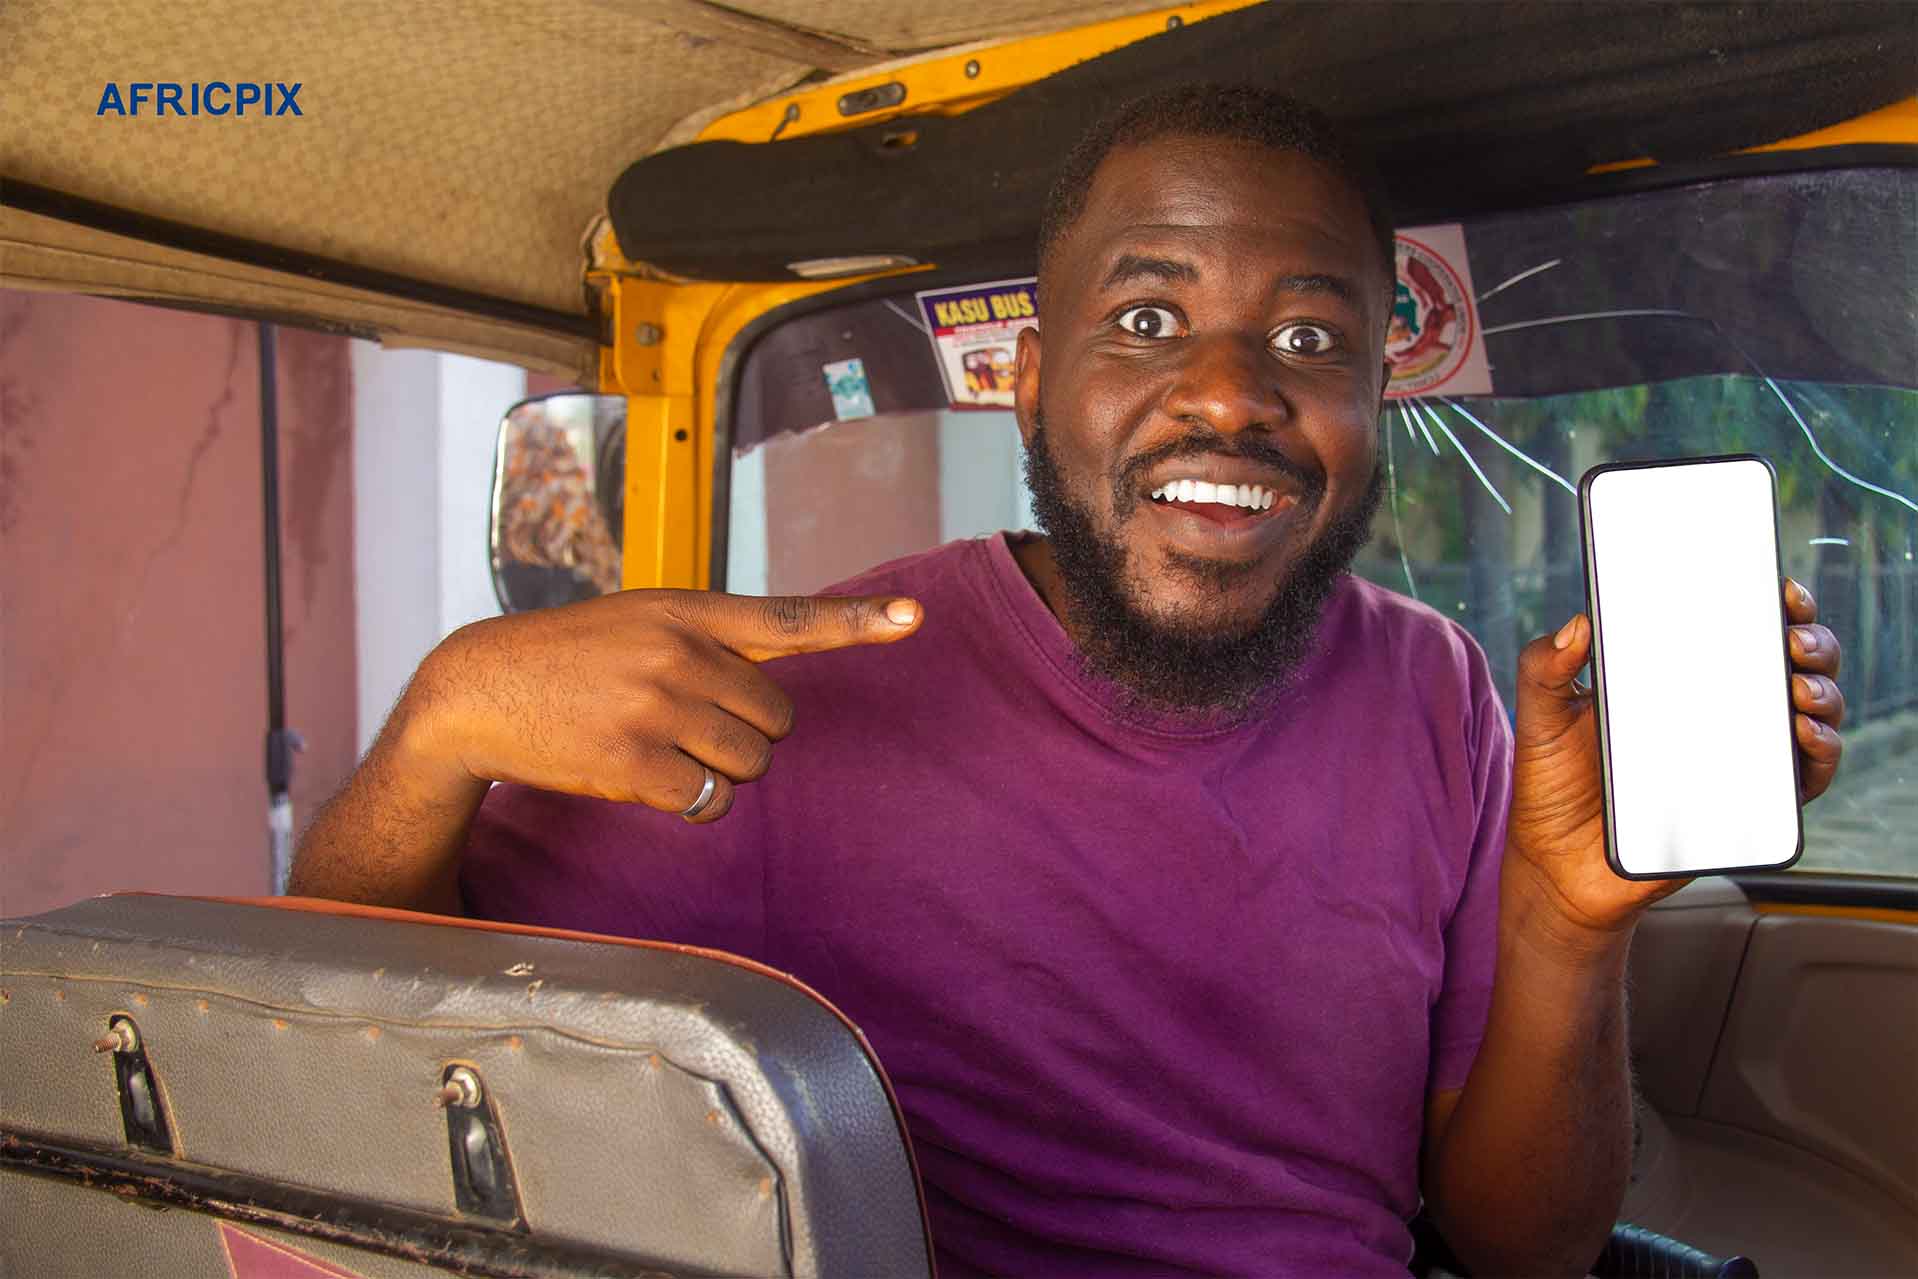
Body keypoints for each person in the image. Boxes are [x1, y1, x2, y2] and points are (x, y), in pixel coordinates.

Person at [291, 85, 1847, 1277]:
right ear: (1034, 382)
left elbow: (1521, 1252)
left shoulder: (1433, 692)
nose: (1230, 392)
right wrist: (437, 727)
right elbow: (332, 1059)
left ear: (1375, 394)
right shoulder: (798, 693)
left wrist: (1565, 920)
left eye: (1308, 335)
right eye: (1148, 319)